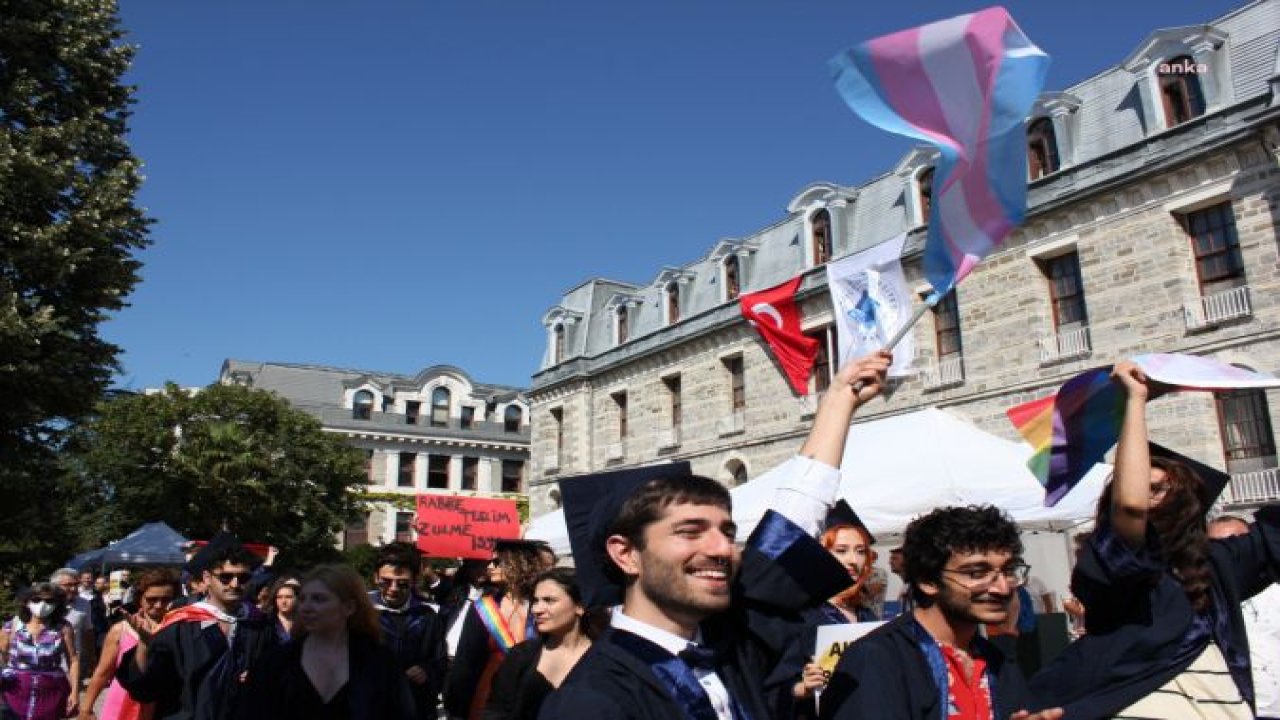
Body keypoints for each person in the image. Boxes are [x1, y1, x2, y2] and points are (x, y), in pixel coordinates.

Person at [538, 352, 891, 720]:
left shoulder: (730, 646)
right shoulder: (590, 702)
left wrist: (839, 401)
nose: (722, 548)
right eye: (689, 531)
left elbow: (794, 519)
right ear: (626, 554)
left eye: (728, 531)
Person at [1029, 360, 1280, 718]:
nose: (1144, 496)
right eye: (1137, 483)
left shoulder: (1218, 564)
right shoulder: (1114, 568)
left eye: (1159, 488)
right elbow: (1130, 508)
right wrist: (1135, 403)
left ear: (1186, 499)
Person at [819, 506, 1060, 720]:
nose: (1002, 587)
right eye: (976, 573)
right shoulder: (878, 659)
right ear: (928, 580)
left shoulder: (995, 662)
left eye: (1008, 571)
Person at [115, 533, 279, 720]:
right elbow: (146, 690)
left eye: (243, 578)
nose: (235, 584)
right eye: (225, 577)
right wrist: (145, 644)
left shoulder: (259, 625)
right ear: (207, 578)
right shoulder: (181, 625)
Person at [243, 565, 415, 720]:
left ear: (348, 607)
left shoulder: (380, 663)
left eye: (319, 599)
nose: (306, 607)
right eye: (303, 599)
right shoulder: (276, 662)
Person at [769, 505, 881, 719]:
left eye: (860, 551)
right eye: (841, 550)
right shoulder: (799, 615)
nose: (853, 560)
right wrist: (803, 688)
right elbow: (771, 689)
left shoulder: (867, 615)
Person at [445, 540, 543, 720]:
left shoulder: (540, 606)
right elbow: (466, 662)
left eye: (497, 562)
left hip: (533, 690)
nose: (489, 566)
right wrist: (456, 707)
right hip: (489, 691)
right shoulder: (483, 608)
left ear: (518, 563)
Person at [483, 569, 594, 720]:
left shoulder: (605, 657)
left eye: (549, 600)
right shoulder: (521, 655)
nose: (536, 610)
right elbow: (496, 711)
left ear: (580, 606)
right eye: (535, 601)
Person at [79, 568, 180, 720]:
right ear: (140, 598)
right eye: (151, 599)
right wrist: (86, 708)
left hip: (162, 706)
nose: (159, 605)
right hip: (122, 702)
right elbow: (103, 672)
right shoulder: (121, 630)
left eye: (165, 599)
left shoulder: (180, 629)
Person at [1209, 515, 1280, 720]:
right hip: (1233, 710)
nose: (1228, 555)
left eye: (1235, 543)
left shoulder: (1276, 591)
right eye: (1218, 547)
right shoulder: (1205, 602)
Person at [367, 543, 446, 720]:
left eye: (402, 583)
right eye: (385, 582)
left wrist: (427, 670)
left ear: (414, 580)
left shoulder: (427, 615)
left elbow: (440, 661)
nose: (393, 588)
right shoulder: (361, 612)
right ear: (375, 577)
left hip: (416, 705)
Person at [0, 583, 79, 720]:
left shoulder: (63, 628)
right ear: (26, 602)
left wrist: (75, 692)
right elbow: (3, 656)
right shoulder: (11, 626)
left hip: (51, 693)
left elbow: (73, 660)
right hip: (15, 691)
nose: (42, 604)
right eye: (36, 600)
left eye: (49, 601)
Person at [51, 568, 97, 681]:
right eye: (68, 585)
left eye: (76, 584)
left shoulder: (84, 604)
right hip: (46, 665)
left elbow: (88, 632)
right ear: (55, 586)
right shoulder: (44, 603)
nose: (73, 588)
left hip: (72, 665)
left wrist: (92, 658)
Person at [442, 560, 490, 662]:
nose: (481, 571)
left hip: (469, 658)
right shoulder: (458, 591)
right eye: (475, 566)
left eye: (485, 567)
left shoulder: (493, 596)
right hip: (445, 654)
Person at [266, 577, 301, 643]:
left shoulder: (303, 624)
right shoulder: (267, 623)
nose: (283, 601)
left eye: (288, 597)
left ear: (297, 599)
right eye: (279, 597)